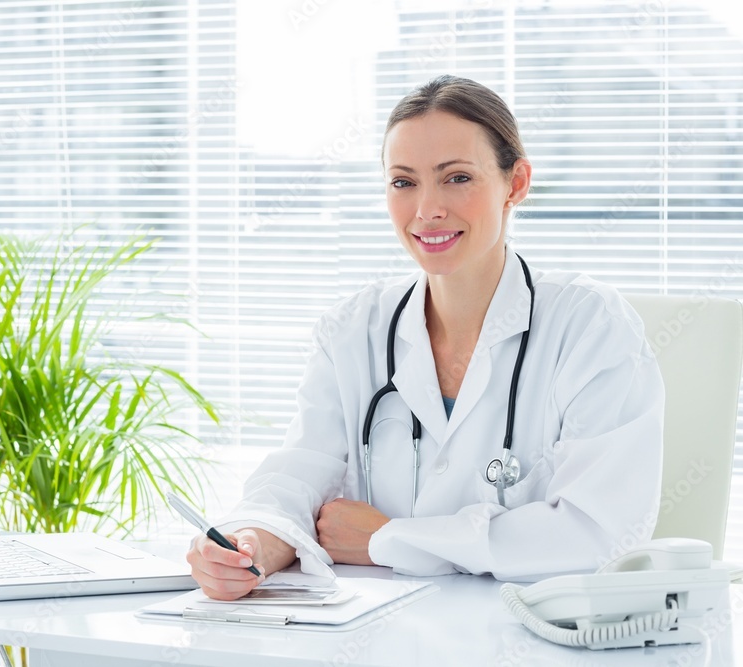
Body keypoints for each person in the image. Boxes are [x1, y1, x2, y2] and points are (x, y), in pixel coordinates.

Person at [187, 75, 664, 601]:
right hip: (371, 636)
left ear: (517, 183)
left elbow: (597, 534)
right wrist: (253, 539)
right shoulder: (354, 329)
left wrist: (390, 540)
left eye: (457, 177)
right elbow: (299, 475)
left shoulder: (589, 326)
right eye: (403, 182)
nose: (427, 209)